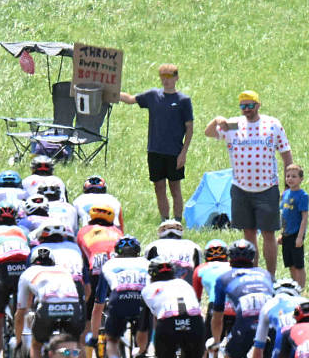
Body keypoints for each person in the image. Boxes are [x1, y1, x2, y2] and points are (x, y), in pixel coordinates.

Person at [205, 91, 294, 259]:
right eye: (243, 106)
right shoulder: (234, 125)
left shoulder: (272, 124)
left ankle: (270, 275)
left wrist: (288, 187)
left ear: (258, 105)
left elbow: (286, 154)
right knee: (249, 233)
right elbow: (208, 133)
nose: (246, 109)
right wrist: (217, 120)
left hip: (267, 188)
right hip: (241, 188)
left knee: (269, 234)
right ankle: (252, 272)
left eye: (250, 105)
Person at [118, 63, 194, 222]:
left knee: (175, 188)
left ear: (176, 78)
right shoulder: (153, 96)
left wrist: (183, 153)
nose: (166, 80)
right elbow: (131, 99)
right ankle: (165, 221)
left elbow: (189, 128)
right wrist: (111, 92)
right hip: (155, 150)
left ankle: (177, 221)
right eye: (163, 77)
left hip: (174, 152)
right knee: (159, 188)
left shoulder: (183, 100)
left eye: (169, 77)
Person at [280, 163, 309, 287]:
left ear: (301, 179)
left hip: (296, 234)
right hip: (286, 233)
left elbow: (304, 217)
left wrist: (300, 236)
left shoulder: (303, 195)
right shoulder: (285, 194)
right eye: (288, 176)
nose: (290, 179)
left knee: (298, 264)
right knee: (290, 264)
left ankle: (301, 287)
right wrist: (281, 233)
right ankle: (294, 286)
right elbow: (283, 214)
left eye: (294, 176)